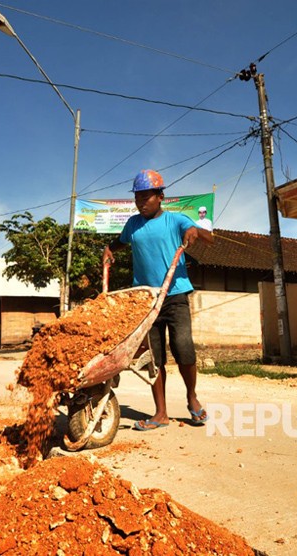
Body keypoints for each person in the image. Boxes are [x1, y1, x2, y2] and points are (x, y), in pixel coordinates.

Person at [103, 169, 214, 431]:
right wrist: (109, 249)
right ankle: (160, 413)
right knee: (153, 358)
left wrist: (196, 232)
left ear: (160, 196)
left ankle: (192, 397)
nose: (141, 202)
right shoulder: (133, 224)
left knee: (183, 345)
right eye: (138, 197)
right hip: (145, 300)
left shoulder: (176, 220)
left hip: (174, 295)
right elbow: (120, 242)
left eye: (146, 197)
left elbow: (206, 236)